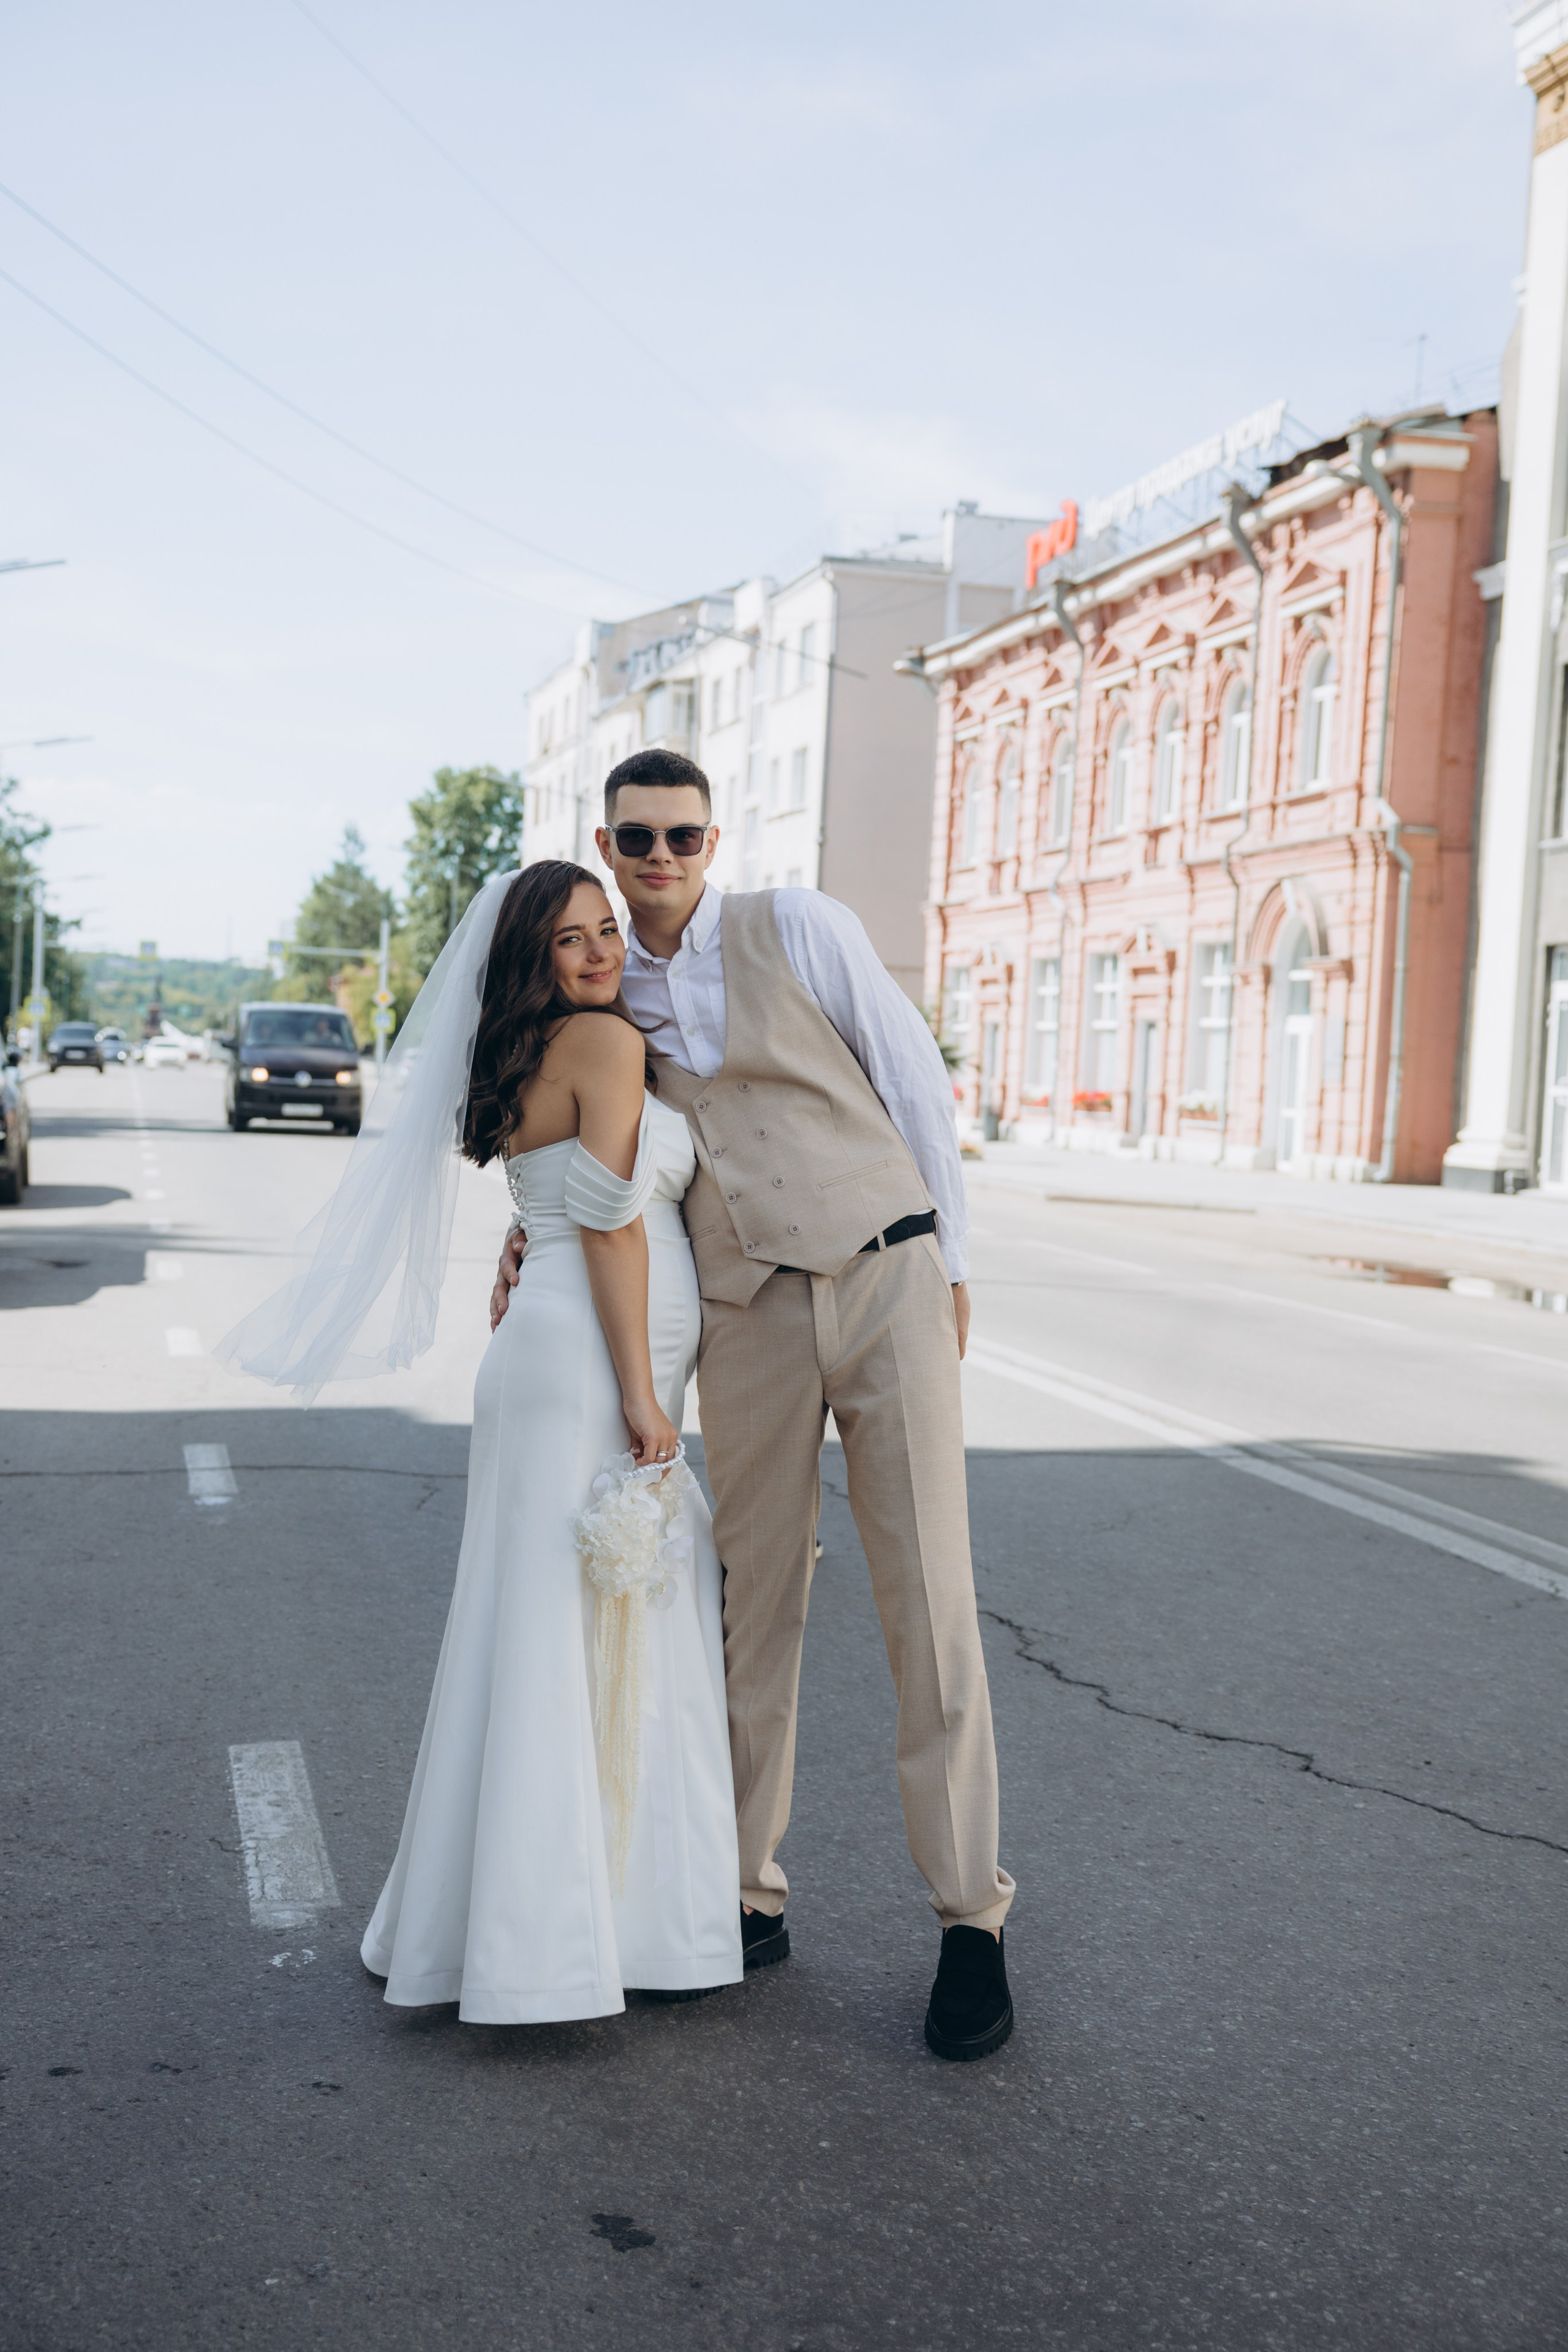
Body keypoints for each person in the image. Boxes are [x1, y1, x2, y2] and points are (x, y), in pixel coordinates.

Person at [496, 749, 1016, 2060]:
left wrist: (951, 1265)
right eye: (634, 840)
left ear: (711, 840)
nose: (657, 859)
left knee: (927, 1600)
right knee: (748, 1607)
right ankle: (741, 1889)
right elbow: (590, 1152)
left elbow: (915, 1084)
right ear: (604, 846)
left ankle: (970, 1920)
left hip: (883, 1269)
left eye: (678, 836)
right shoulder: (605, 991)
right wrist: (526, 1238)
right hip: (747, 1316)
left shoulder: (797, 923)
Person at [219, 861, 742, 2022]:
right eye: (573, 940)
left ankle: (512, 1927)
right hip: (587, 1362)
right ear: (533, 959)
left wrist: (533, 1251)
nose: (604, 952)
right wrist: (645, 1399)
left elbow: (551, 1205)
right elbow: (610, 1231)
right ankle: (581, 1935)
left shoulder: (533, 1051)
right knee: (584, 1625)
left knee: (533, 1624)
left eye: (608, 931)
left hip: (547, 1353)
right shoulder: (603, 1046)